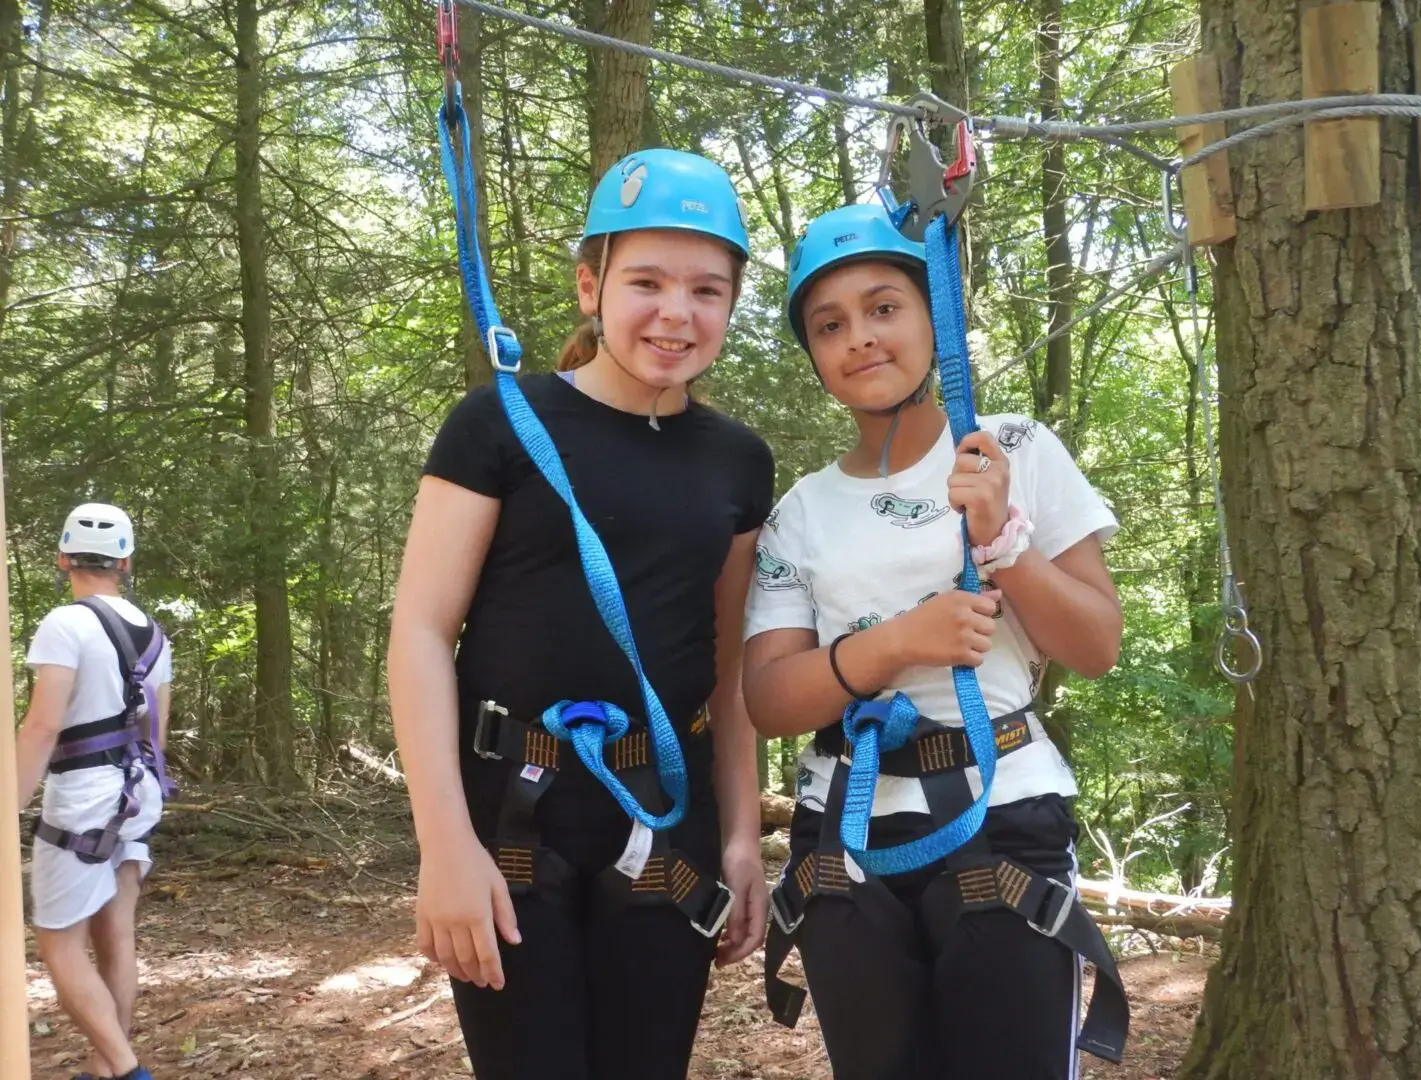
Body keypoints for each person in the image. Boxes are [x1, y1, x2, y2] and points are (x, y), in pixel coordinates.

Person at [388, 148, 775, 1080]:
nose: (676, 314)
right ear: (589, 286)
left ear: (730, 304)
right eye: (646, 282)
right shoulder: (500, 423)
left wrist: (738, 835)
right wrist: (443, 846)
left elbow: (726, 667)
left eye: (707, 290)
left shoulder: (737, 462)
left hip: (663, 817)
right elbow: (421, 631)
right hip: (513, 821)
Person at [743, 203, 1127, 1080]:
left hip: (1001, 816)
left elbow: (1097, 644)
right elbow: (768, 700)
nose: (861, 339)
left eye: (885, 308)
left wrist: (1006, 544)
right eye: (829, 325)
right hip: (846, 832)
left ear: (934, 319)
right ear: (813, 356)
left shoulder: (1015, 449)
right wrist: (895, 645)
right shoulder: (800, 510)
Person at [16, 502, 172, 1080]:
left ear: (62, 558)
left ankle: (128, 1071)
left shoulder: (66, 623)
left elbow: (42, 725)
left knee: (59, 948)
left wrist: (10, 804)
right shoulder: (154, 635)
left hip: (82, 798)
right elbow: (156, 732)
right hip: (136, 792)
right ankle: (107, 1070)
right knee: (116, 938)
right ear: (125, 561)